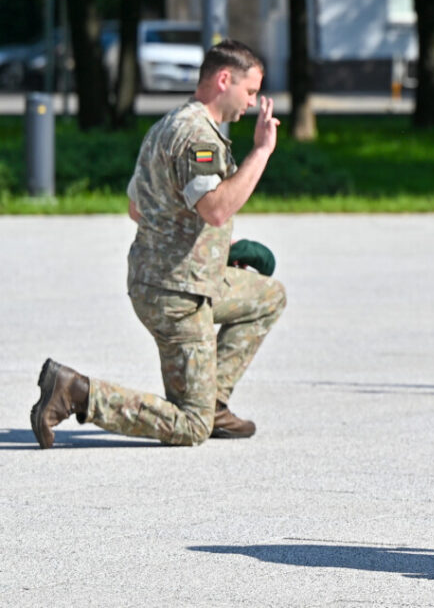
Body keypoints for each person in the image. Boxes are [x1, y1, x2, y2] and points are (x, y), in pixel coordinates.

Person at [30, 40, 287, 448]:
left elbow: (138, 206)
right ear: (224, 80)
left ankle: (212, 399)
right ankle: (77, 393)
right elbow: (216, 209)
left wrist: (215, 246)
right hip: (177, 296)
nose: (253, 103)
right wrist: (261, 152)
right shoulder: (197, 138)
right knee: (190, 427)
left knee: (268, 296)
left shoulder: (165, 126)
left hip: (175, 280)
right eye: (251, 91)